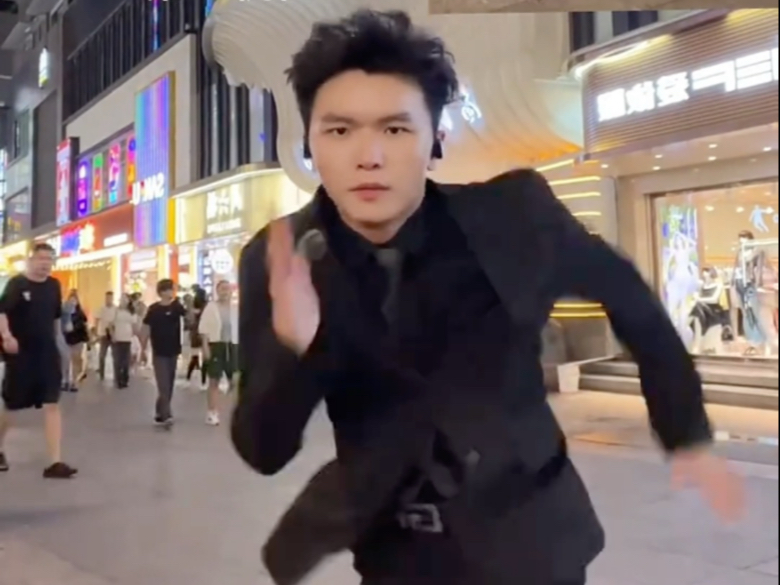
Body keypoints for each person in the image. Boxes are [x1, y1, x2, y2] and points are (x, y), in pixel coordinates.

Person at [233, 10, 745, 585]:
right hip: (398, 560)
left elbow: (630, 297)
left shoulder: (513, 218)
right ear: (310, 143)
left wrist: (685, 430)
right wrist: (293, 347)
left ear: (435, 140)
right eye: (339, 130)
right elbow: (263, 449)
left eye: (395, 129)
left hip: (535, 547)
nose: (368, 155)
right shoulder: (281, 259)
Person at [0, 243, 78, 478]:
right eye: (41, 258)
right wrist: (7, 336)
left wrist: (60, 346)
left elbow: (55, 319)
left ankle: (55, 462)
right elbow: (2, 312)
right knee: (12, 406)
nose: (45, 263)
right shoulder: (17, 284)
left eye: (49, 259)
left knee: (52, 404)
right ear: (31, 260)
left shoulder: (54, 286)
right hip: (21, 355)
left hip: (47, 354)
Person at [140, 279, 186, 428]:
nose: (172, 292)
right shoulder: (154, 309)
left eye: (173, 289)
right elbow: (146, 329)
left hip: (173, 350)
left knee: (169, 384)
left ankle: (160, 412)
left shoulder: (177, 307)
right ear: (162, 292)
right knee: (163, 384)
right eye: (170, 289)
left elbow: (189, 318)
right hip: (159, 352)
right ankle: (167, 414)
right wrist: (143, 349)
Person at [198, 280, 239, 426]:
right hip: (216, 345)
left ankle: (235, 411)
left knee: (235, 379)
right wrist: (205, 347)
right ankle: (212, 412)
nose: (225, 291)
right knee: (214, 379)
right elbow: (203, 329)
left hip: (233, 345)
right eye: (222, 289)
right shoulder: (211, 307)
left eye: (227, 289)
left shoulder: (236, 309)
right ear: (217, 291)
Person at [62, 289, 89, 390]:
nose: (72, 302)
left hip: (78, 338)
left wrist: (74, 327)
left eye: (74, 300)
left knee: (76, 360)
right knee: (66, 360)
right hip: (67, 338)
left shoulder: (80, 313)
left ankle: (74, 382)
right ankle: (65, 380)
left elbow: (84, 324)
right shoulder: (64, 312)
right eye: (71, 299)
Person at [109, 293, 137, 389]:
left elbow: (134, 325)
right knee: (118, 360)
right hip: (118, 338)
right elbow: (111, 325)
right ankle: (119, 379)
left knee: (126, 360)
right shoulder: (116, 311)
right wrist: (112, 335)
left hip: (127, 338)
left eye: (125, 299)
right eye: (121, 299)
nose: (123, 301)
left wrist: (134, 336)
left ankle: (125, 378)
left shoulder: (131, 312)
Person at [95, 291, 117, 381]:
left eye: (110, 298)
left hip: (113, 334)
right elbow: (97, 319)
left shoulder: (116, 309)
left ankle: (116, 374)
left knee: (115, 355)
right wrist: (96, 331)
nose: (108, 300)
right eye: (107, 298)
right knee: (102, 355)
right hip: (103, 334)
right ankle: (101, 373)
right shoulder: (101, 308)